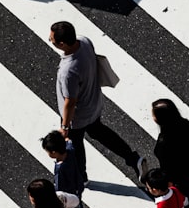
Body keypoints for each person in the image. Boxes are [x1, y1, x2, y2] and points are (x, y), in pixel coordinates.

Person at [50, 21, 146, 184]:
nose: (49, 40)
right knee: (99, 132)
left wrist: (65, 127)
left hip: (78, 116)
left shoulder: (68, 71)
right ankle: (132, 158)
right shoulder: (85, 42)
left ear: (62, 43)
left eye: (52, 39)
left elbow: (70, 102)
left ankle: (81, 176)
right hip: (94, 104)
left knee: (76, 144)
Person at [41, 130, 90, 208]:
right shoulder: (70, 150)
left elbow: (59, 188)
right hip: (77, 186)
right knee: (78, 205)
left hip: (69, 193)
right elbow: (69, 141)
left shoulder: (60, 169)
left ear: (54, 152)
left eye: (48, 152)